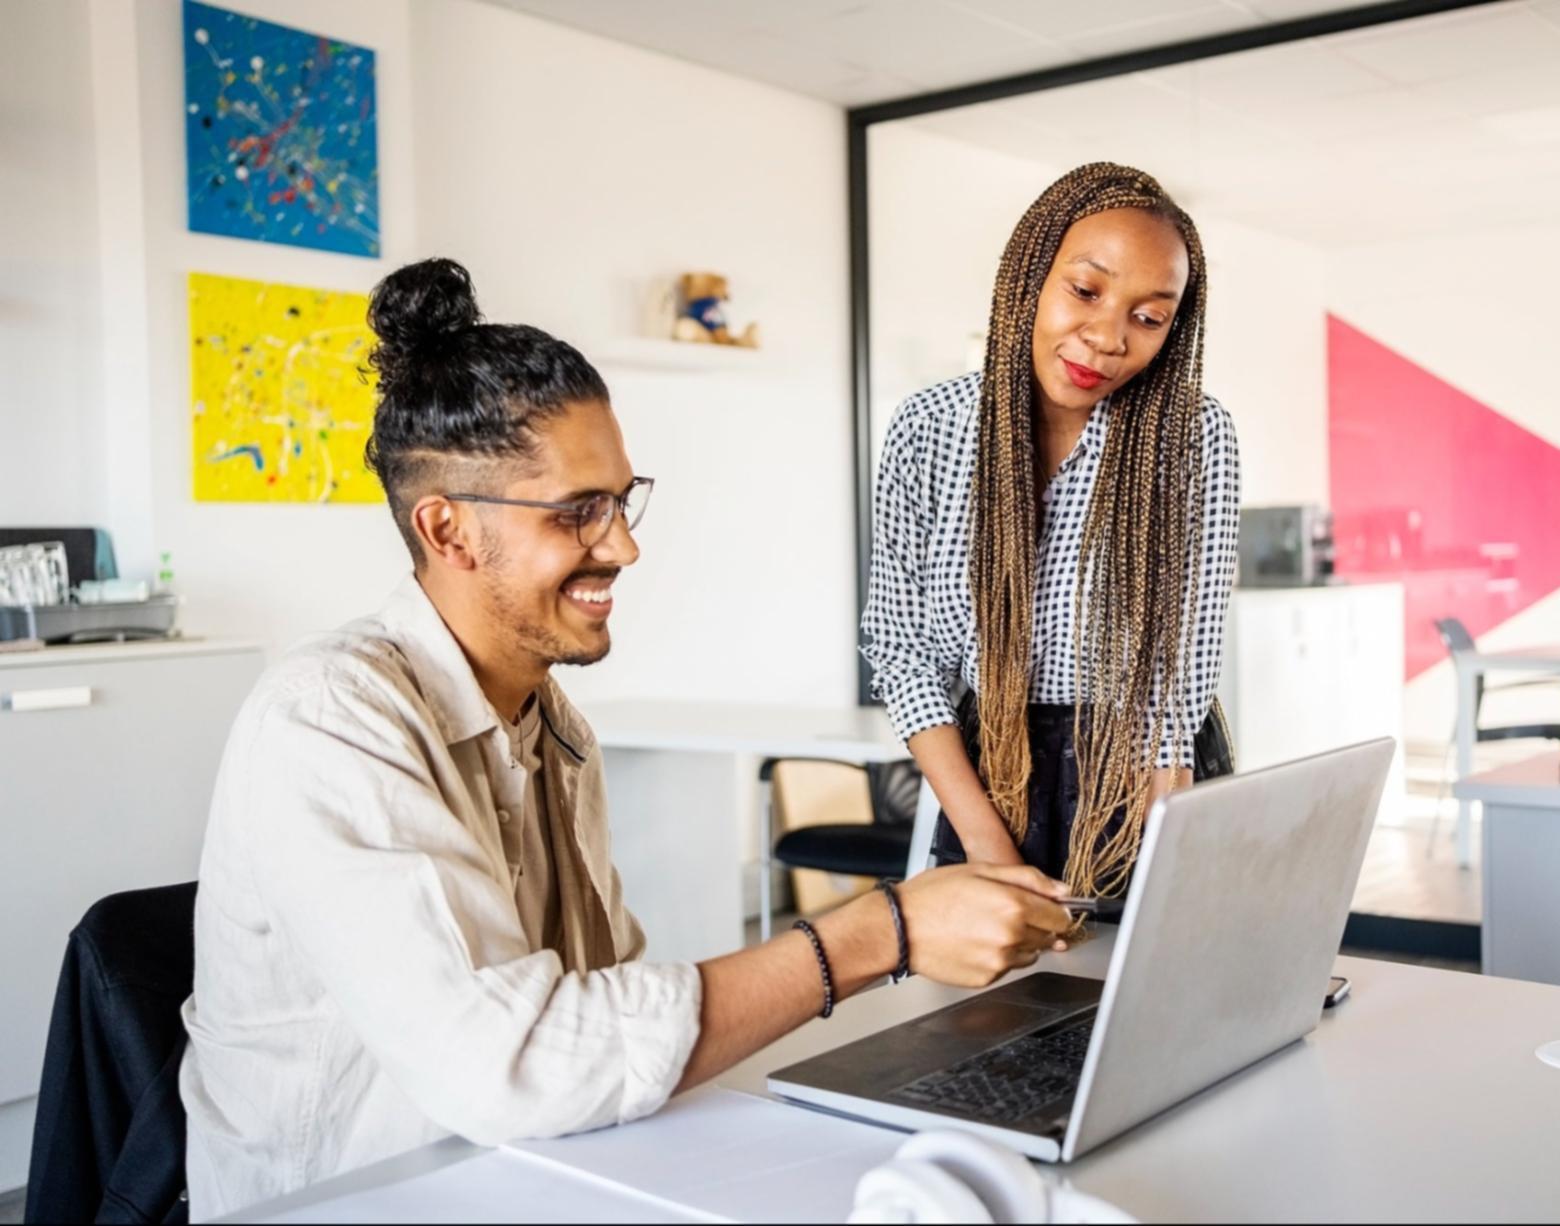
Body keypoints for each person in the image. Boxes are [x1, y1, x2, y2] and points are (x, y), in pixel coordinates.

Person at [179, 258, 1074, 1218]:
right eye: (578, 513)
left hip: (524, 1171)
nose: (624, 546)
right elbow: (512, 1067)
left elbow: (607, 1012)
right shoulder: (328, 719)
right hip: (361, 1197)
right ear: (446, 530)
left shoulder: (551, 724)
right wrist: (879, 933)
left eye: (621, 499)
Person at [861, 162, 1240, 901]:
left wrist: (1154, 855)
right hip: (989, 775)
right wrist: (987, 845)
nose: (1106, 337)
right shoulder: (928, 430)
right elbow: (902, 654)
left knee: (1152, 1006)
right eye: (1086, 291)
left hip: (1146, 770)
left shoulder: (1194, 438)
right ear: (1031, 275)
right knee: (983, 1012)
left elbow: (1177, 678)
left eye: (1148, 316)